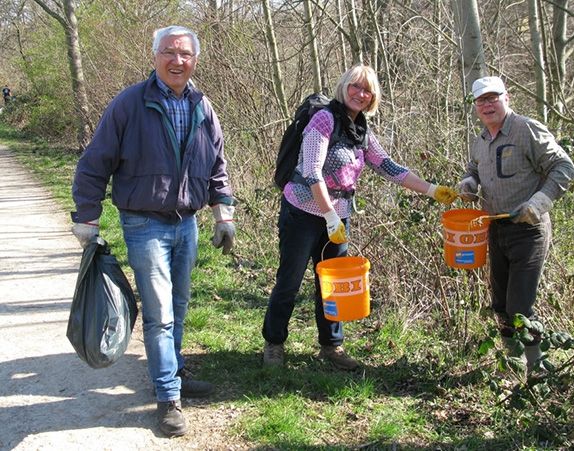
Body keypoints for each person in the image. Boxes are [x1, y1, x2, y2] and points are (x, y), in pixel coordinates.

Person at [70, 25, 236, 437]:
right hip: (144, 223)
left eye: (185, 54)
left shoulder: (203, 105)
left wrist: (223, 213)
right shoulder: (130, 103)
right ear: (155, 56)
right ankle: (168, 397)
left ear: (195, 60)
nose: (177, 60)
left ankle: (173, 373)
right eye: (169, 52)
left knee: (177, 308)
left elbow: (217, 165)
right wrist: (86, 216)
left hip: (187, 223)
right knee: (160, 313)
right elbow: (95, 161)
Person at [262, 64, 458, 370]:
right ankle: (274, 343)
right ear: (344, 87)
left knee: (333, 283)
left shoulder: (361, 131)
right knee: (289, 280)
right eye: (355, 86)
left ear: (373, 97)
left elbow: (389, 167)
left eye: (367, 90)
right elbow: (312, 171)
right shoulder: (324, 119)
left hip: (338, 217)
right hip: (303, 211)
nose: (360, 94)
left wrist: (432, 189)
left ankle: (332, 346)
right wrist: (328, 215)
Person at [457, 76, 574, 373]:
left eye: (493, 98)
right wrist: (469, 182)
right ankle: (512, 362)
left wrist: (539, 203)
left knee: (520, 306)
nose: (487, 105)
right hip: (494, 230)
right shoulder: (481, 139)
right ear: (475, 107)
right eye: (481, 100)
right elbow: (474, 168)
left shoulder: (526, 129)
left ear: (506, 98)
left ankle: (537, 368)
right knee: (499, 304)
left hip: (528, 231)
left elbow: (564, 167)